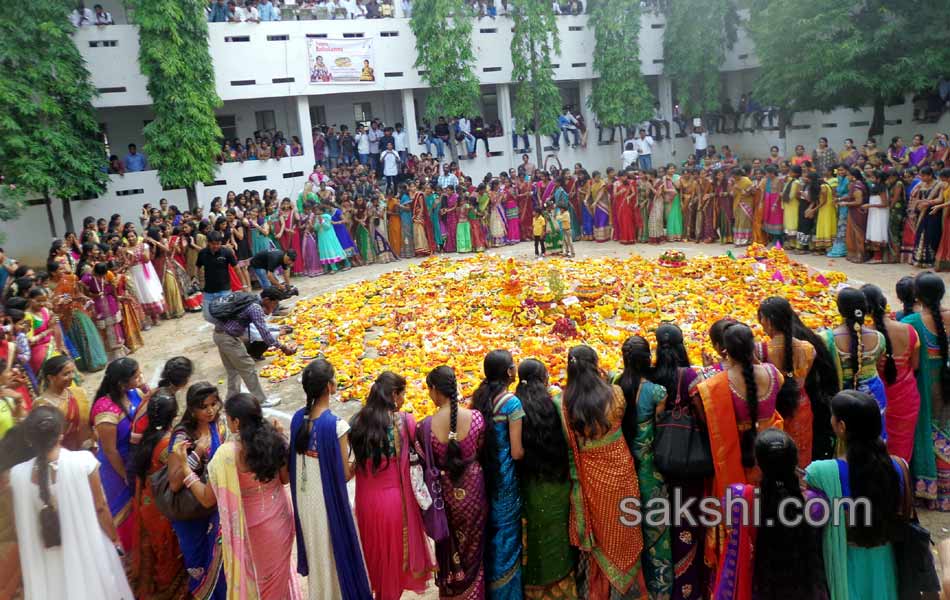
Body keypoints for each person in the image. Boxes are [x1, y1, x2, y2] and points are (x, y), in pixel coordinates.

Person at [184, 393, 302, 600]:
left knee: (260, 583)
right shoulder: (274, 440)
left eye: (227, 417)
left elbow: (206, 498)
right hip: (280, 521)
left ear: (236, 422)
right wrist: (281, 438)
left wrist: (187, 473)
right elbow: (285, 479)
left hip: (252, 529)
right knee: (278, 578)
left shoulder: (227, 455)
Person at [11, 406, 133, 600]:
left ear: (30, 440)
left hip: (48, 559)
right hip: (88, 550)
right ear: (61, 433)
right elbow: (100, 508)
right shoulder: (83, 462)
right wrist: (115, 540)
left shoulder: (17, 475)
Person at [562, 345, 647, 598]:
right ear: (596, 365)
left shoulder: (565, 402)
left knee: (601, 532)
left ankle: (599, 590)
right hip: (621, 468)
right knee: (625, 524)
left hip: (591, 476)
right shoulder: (616, 393)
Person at [805, 390, 907, 600]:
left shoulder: (821, 473)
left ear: (841, 427)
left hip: (844, 565)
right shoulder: (898, 467)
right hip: (884, 563)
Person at [289, 359, 372, 600]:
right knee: (334, 553)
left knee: (318, 554)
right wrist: (361, 459)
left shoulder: (298, 419)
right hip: (326, 503)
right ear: (329, 386)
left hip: (306, 502)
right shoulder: (335, 426)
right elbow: (345, 474)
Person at [349, 371, 434, 599]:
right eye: (403, 393)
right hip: (395, 504)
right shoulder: (404, 422)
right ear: (394, 395)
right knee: (394, 567)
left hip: (366, 503)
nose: (404, 398)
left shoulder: (356, 422)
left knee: (376, 560)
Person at [714, 429, 828, 600]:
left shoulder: (737, 497)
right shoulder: (815, 505)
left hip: (757, 588)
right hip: (803, 589)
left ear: (758, 464)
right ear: (794, 463)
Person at [612, 337, 672, 600]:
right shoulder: (658, 392)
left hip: (623, 464)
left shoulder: (614, 385)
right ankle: (660, 588)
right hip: (649, 468)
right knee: (656, 528)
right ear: (647, 359)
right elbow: (659, 429)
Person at [420, 365, 488, 597]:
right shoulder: (476, 418)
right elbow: (481, 450)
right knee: (475, 546)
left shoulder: (426, 427)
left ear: (437, 390)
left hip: (446, 496)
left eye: (429, 390)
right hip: (474, 491)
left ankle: (453, 591)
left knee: (451, 547)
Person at [515, 359, 578, 598]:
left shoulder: (513, 406)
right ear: (544, 379)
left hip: (526, 484)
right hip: (556, 483)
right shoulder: (555, 403)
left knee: (533, 540)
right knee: (557, 541)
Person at [470, 349, 524, 598]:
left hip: (481, 477)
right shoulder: (511, 403)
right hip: (504, 479)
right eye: (513, 366)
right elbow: (516, 452)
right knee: (507, 538)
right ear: (507, 372)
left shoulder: (479, 399)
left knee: (488, 536)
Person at [167, 382, 228, 600]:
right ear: (192, 410)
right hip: (192, 514)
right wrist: (197, 453)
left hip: (216, 507)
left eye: (213, 404)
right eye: (204, 407)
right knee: (199, 561)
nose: (211, 410)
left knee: (223, 562)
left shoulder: (220, 425)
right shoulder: (183, 437)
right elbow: (174, 483)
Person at [130, 390, 189, 600]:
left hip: (148, 501)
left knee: (155, 548)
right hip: (163, 505)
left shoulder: (148, 437)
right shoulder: (167, 444)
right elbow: (177, 476)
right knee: (169, 550)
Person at [902, 272, 949, 506]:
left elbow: (909, 362)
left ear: (916, 296)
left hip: (925, 387)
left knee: (924, 432)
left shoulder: (911, 323)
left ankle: (928, 489)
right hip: (946, 384)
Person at [90, 357, 144, 552]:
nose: (140, 377)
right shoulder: (105, 411)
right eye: (136, 376)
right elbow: (110, 450)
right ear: (122, 382)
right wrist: (125, 476)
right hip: (117, 468)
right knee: (125, 514)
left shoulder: (135, 392)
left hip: (135, 460)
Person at [861, 284, 920, 463]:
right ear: (884, 303)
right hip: (906, 398)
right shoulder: (909, 330)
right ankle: (901, 482)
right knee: (902, 451)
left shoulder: (866, 336)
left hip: (877, 399)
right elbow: (915, 365)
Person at [212, 287, 296, 407]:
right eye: (275, 302)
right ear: (267, 300)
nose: (276, 305)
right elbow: (264, 333)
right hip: (228, 338)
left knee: (232, 369)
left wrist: (277, 329)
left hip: (219, 334)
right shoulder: (255, 308)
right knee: (248, 367)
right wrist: (282, 347)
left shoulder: (251, 300)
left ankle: (231, 398)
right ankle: (260, 400)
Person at [757, 297, 816, 468]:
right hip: (802, 407)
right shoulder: (808, 348)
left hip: (776, 410)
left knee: (776, 456)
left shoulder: (760, 351)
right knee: (800, 455)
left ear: (768, 321)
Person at [823, 287, 888, 434]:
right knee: (872, 433)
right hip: (873, 394)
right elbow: (877, 362)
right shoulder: (879, 338)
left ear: (840, 310)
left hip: (843, 395)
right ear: (865, 308)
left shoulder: (827, 339)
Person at [34, 355, 92, 451]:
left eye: (72, 372)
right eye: (66, 374)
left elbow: (88, 423)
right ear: (51, 378)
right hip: (63, 454)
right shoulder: (42, 405)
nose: (72, 376)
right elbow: (46, 438)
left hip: (86, 447)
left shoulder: (78, 392)